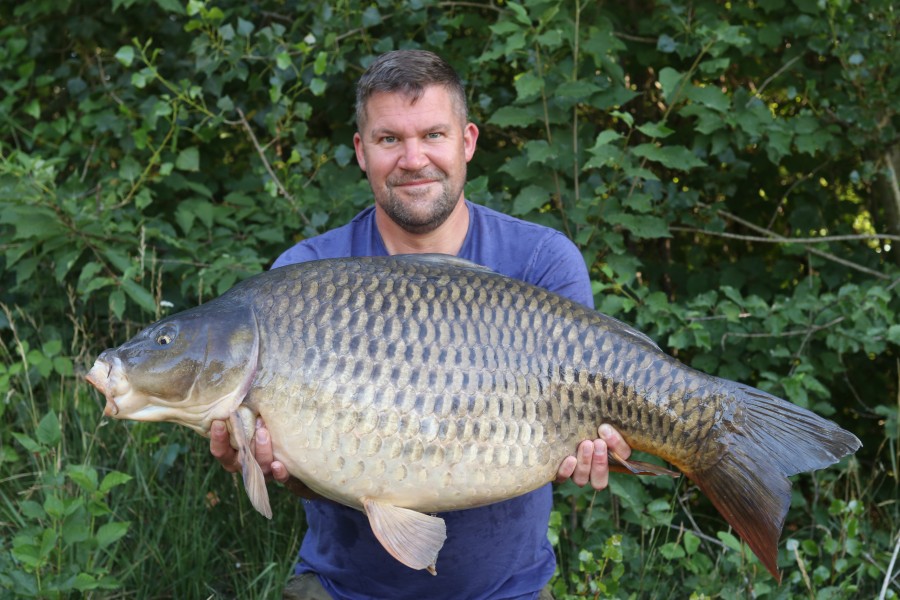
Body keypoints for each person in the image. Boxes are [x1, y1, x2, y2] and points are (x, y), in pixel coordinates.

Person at [209, 49, 632, 600]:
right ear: (361, 151)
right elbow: (302, 471)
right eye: (389, 140)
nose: (414, 159)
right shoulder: (299, 281)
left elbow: (574, 439)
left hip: (509, 591)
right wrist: (269, 468)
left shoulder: (542, 261)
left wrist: (591, 450)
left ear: (468, 141)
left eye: (433, 134)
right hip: (343, 590)